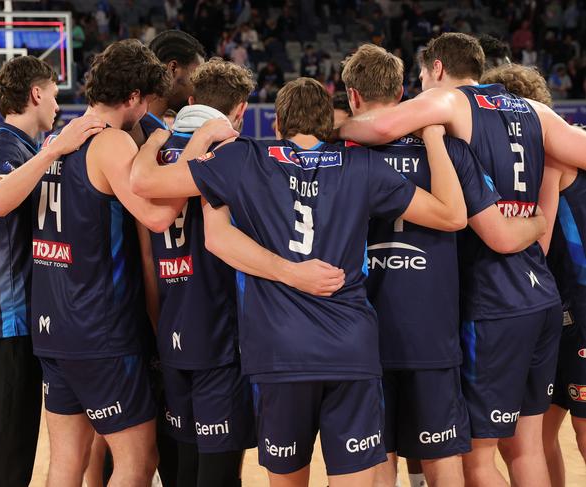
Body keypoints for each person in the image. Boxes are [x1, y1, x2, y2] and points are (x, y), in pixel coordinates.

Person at [131, 76, 474, 487]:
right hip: (350, 349)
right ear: (330, 123)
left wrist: (160, 137)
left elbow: (145, 183)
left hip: (279, 350)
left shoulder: (245, 158)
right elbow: (453, 215)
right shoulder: (361, 164)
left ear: (276, 123)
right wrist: (433, 139)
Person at [338, 32, 586, 487]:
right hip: (541, 295)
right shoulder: (533, 109)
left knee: (475, 459)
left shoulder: (450, 101)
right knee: (527, 448)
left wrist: (329, 130)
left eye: (420, 78)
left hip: (492, 300)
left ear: (436, 69)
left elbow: (379, 127)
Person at [0, 55, 104, 487]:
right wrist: (54, 149)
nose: (57, 104)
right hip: (5, 320)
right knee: (0, 459)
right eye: (54, 94)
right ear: (36, 94)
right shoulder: (4, 145)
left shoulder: (14, 145)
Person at [30, 39, 173, 487]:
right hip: (101, 331)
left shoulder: (59, 137)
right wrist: (158, 149)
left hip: (52, 325)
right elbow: (155, 215)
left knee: (66, 463)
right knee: (136, 461)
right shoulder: (110, 142)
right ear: (133, 98)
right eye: (145, 99)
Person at [135, 58, 258, 487]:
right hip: (220, 336)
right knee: (219, 471)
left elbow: (147, 259)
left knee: (182, 467)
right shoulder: (233, 154)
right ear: (240, 109)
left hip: (169, 325)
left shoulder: (150, 156)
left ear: (190, 100)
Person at [483, 62, 586, 487]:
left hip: (576, 307)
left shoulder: (553, 156)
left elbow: (538, 240)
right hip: (555, 309)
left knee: (580, 432)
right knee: (541, 435)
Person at [139, 30, 206, 138]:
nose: (199, 89)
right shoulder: (135, 131)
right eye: (196, 77)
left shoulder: (157, 128)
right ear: (173, 69)